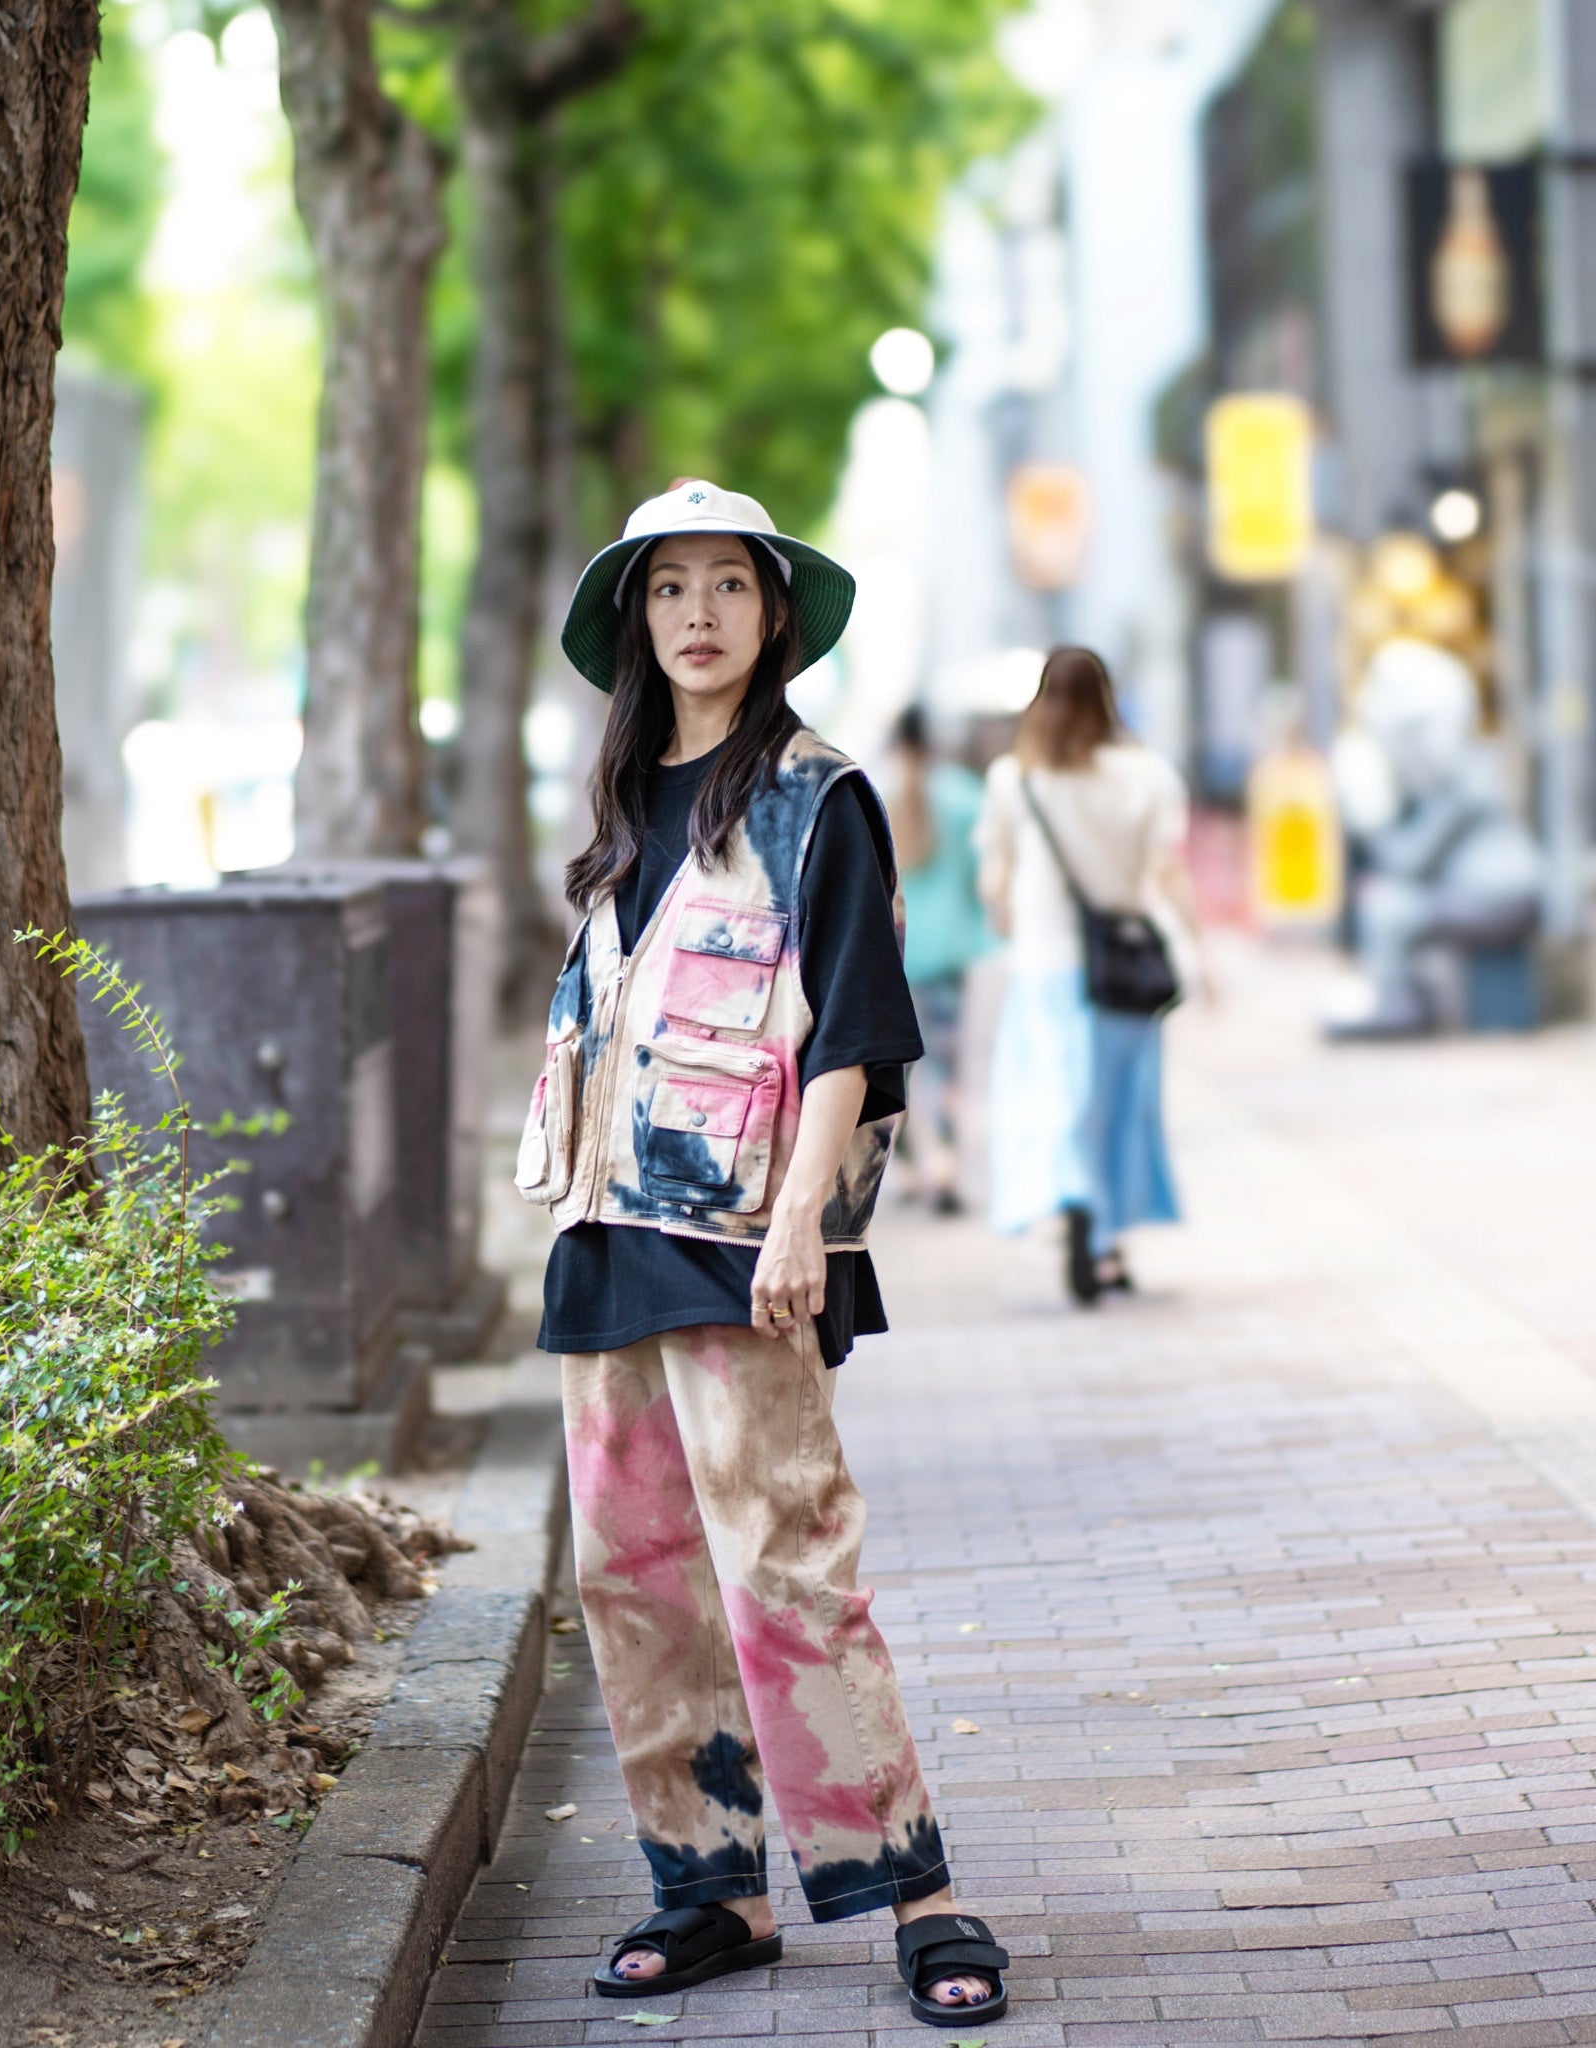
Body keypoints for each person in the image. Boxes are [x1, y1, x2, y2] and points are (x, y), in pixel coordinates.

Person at [518, 479, 1011, 2029]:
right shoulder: (616, 814)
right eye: (671, 591)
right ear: (636, 621)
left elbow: (859, 1024)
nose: (700, 616)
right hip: (608, 1233)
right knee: (632, 1578)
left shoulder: (819, 797)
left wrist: (802, 1216)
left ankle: (918, 1894)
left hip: (744, 1235)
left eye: (729, 586)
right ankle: (707, 1888)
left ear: (773, 613)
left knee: (788, 1565)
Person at [975, 646, 1195, 1304]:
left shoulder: (1016, 778)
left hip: (1045, 960)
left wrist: (1005, 917)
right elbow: (1167, 871)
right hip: (1122, 967)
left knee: (1052, 1097)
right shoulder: (1147, 773)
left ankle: (1070, 1200)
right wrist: (1200, 954)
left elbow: (995, 878)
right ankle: (1104, 1239)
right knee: (1116, 1105)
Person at [884, 707, 990, 1212]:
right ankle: (944, 1163)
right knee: (946, 1063)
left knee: (895, 1068)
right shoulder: (964, 795)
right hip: (949, 952)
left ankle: (902, 1165)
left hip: (894, 956)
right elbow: (981, 877)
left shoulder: (878, 794)